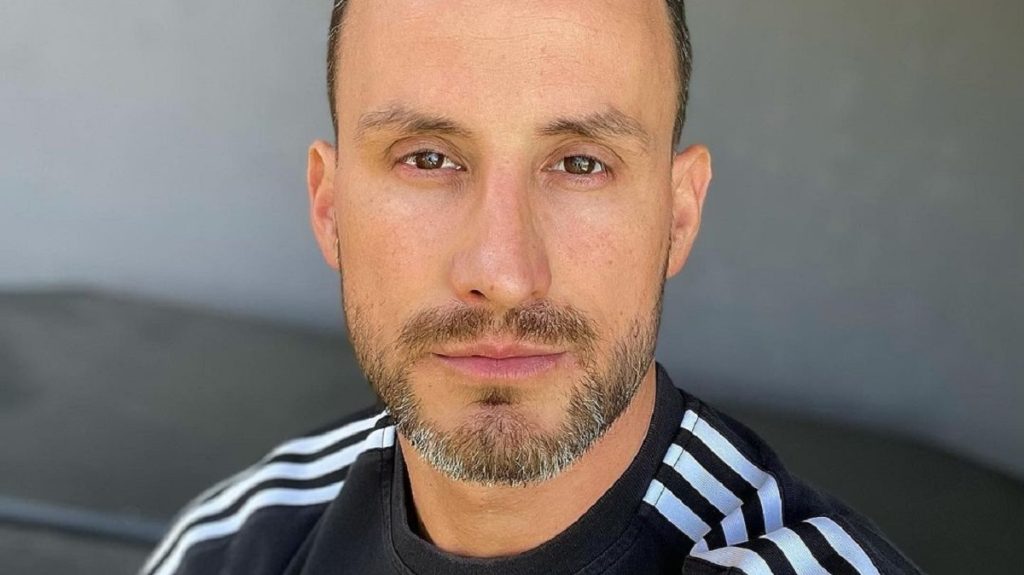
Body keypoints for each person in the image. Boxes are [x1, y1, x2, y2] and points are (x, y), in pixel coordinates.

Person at [142, 1, 920, 573]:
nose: (504, 274)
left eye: (581, 163)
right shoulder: (231, 549)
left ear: (678, 216)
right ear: (328, 206)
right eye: (427, 158)